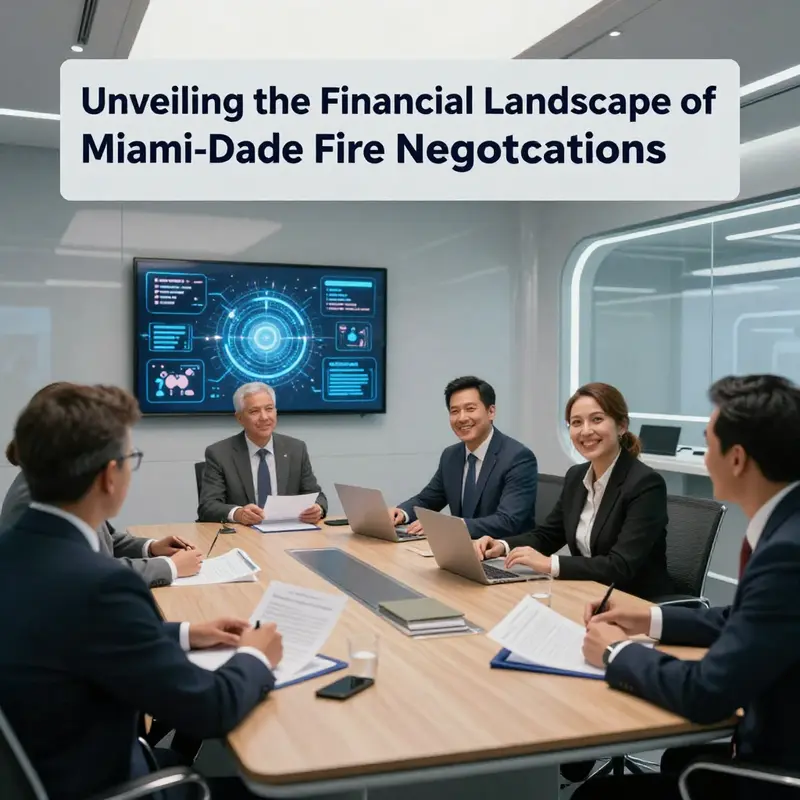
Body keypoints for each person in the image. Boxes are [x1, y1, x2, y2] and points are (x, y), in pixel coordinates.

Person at [0, 383, 284, 800]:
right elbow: (210, 710)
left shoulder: (18, 549)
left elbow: (81, 633)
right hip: (113, 782)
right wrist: (256, 656)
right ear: (109, 476)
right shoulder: (102, 585)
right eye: (130, 459)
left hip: (53, 765)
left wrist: (186, 633)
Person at [575, 374, 800, 800]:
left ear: (736, 459)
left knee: (595, 796)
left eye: (706, 439)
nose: (702, 452)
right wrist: (650, 618)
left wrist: (614, 652)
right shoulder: (786, 526)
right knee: (677, 760)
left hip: (777, 770)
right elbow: (746, 620)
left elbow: (706, 693)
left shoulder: (787, 552)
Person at [474, 382, 673, 601]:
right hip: (587, 593)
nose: (585, 431)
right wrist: (502, 545)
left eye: (597, 419)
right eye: (576, 422)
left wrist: (550, 564)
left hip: (633, 601)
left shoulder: (645, 484)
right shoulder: (576, 477)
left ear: (621, 425)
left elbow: (621, 566)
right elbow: (548, 535)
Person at [0, 383, 203, 587]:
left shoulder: (58, 481)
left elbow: (105, 540)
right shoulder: (38, 497)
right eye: (129, 456)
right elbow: (89, 571)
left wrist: (152, 547)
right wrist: (169, 566)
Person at [389, 376, 538, 539]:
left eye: (470, 409)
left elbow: (507, 521)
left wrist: (448, 526)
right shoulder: (451, 456)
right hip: (461, 549)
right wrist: (401, 513)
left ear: (491, 412)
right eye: (454, 411)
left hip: (503, 556)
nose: (461, 418)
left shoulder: (517, 457)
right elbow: (427, 500)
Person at [197, 382, 328, 525]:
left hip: (288, 535)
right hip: (242, 536)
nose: (264, 417)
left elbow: (317, 496)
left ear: (276, 412)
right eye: (254, 411)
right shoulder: (219, 454)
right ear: (239, 418)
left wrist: (318, 508)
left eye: (269, 409)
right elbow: (208, 506)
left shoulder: (296, 449)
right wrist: (238, 513)